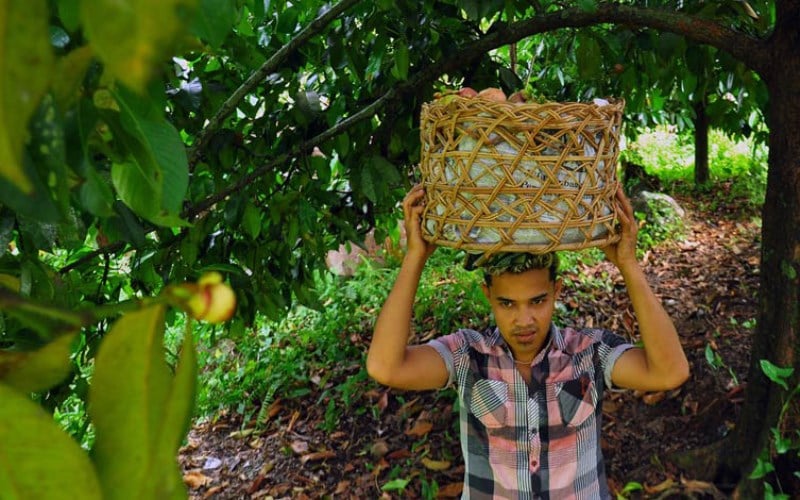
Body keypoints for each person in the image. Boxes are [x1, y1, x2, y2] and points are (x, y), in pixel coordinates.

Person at [366, 183, 690, 499]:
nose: (524, 320)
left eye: (537, 301)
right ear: (488, 296)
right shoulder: (469, 356)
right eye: (507, 303)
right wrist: (414, 258)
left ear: (556, 292)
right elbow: (386, 367)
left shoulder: (588, 353)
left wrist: (628, 264)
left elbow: (669, 372)